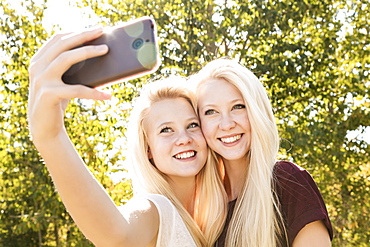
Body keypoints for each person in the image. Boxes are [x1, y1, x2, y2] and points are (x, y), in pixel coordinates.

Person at [27, 27, 227, 247]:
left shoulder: (214, 217)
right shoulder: (156, 210)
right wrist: (51, 137)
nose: (184, 138)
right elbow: (117, 235)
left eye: (192, 125)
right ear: (148, 149)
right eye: (166, 130)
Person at [189, 58, 333, 247]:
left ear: (257, 111)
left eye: (238, 107)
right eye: (211, 112)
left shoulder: (288, 181)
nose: (226, 124)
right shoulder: (201, 206)